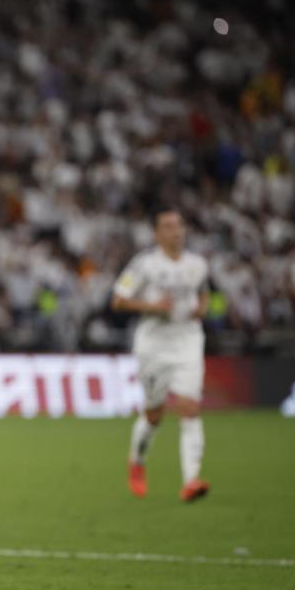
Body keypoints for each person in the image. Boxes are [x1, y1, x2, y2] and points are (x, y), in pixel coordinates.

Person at [111, 208, 211, 503]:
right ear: (157, 234)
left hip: (188, 340)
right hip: (153, 345)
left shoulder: (198, 264)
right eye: (168, 226)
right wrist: (153, 307)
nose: (176, 231)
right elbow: (118, 300)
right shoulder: (144, 265)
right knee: (154, 414)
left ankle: (191, 480)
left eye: (179, 225)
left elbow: (204, 292)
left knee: (190, 407)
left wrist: (202, 308)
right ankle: (137, 460)